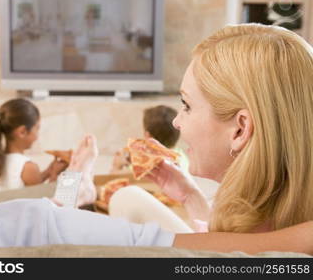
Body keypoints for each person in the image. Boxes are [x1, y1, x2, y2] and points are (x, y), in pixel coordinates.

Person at [0, 25, 312, 255]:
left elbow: (58, 220)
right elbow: (54, 223)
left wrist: (75, 181)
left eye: (187, 105)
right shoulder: (18, 227)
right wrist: (75, 182)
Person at [113, 23, 313, 235]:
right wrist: (191, 197)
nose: (176, 122)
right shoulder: (279, 224)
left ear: (240, 129)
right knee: (128, 198)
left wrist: (75, 182)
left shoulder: (246, 238)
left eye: (187, 106)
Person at [0, 98, 67, 192]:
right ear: (22, 132)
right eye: (37, 128)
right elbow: (44, 202)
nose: (37, 136)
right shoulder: (28, 167)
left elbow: (26, 186)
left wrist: (48, 171)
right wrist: (54, 174)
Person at [111, 105, 188, 173]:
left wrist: (117, 166)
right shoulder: (183, 158)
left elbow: (113, 184)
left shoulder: (142, 163)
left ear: (147, 135)